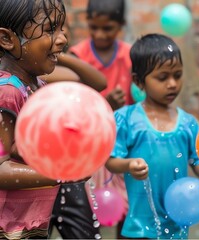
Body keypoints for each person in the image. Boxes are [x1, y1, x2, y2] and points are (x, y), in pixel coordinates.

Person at [104, 33, 199, 239]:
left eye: (177, 75)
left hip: (177, 225)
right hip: (137, 226)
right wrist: (128, 165)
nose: (172, 84)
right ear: (138, 81)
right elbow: (111, 161)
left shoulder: (188, 123)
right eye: (162, 77)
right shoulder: (126, 118)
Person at [0, 0, 69, 238]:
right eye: (50, 30)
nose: (62, 39)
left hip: (31, 226)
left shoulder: (37, 87)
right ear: (8, 39)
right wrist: (64, 172)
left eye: (61, 29)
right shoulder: (7, 91)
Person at [68, 0, 131, 236]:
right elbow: (72, 104)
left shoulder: (129, 56)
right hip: (87, 145)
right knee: (87, 207)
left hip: (121, 145)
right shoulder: (78, 56)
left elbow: (137, 100)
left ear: (121, 25)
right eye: (93, 27)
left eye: (108, 28)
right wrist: (106, 105)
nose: (99, 34)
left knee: (125, 206)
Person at [45, 54, 107, 239]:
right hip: (28, 181)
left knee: (85, 234)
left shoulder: (44, 72)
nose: (60, 37)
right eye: (50, 31)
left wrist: (59, 55)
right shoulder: (12, 81)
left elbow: (99, 82)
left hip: (64, 175)